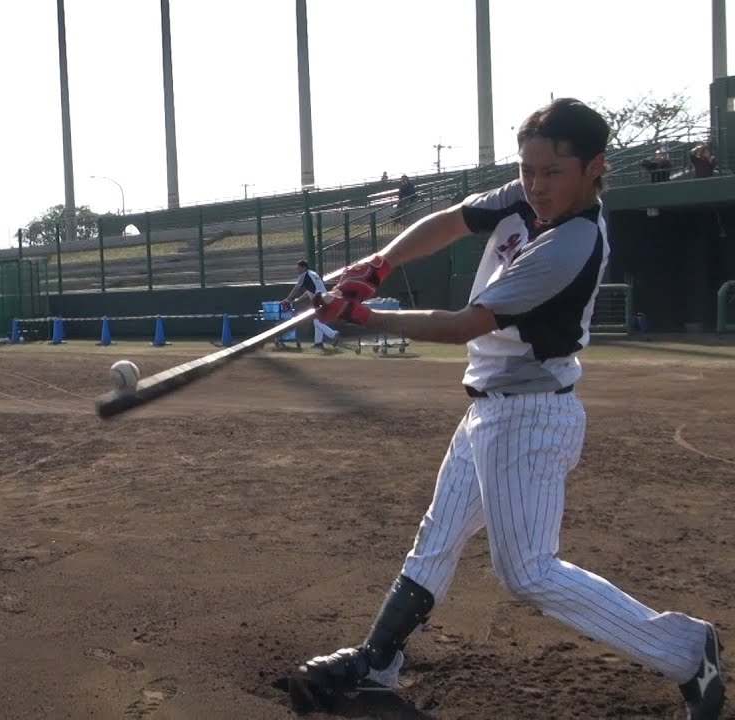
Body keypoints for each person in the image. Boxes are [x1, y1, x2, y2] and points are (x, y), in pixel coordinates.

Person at [279, 98, 724, 719]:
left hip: (531, 416)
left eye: (552, 173)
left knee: (529, 571)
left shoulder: (571, 243)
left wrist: (363, 316)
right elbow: (452, 221)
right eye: (527, 169)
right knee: (436, 540)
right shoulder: (530, 196)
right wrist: (376, 265)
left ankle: (686, 650)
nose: (535, 186)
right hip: (491, 407)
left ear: (594, 167)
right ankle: (377, 662)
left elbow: (467, 323)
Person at [281, 259, 339, 349]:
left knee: (317, 321)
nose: (298, 270)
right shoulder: (313, 274)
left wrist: (288, 299)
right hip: (325, 298)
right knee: (318, 320)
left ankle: (333, 334)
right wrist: (297, 300)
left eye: (299, 268)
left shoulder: (304, 275)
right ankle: (318, 343)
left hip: (319, 299)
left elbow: (296, 288)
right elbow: (308, 292)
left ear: (304, 268)